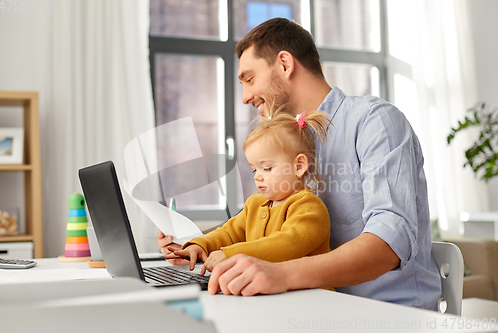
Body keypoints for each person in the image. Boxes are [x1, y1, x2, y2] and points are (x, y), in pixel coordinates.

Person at [158, 18, 441, 310]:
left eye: (249, 79)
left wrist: (280, 274)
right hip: (313, 308)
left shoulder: (374, 121)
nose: (244, 98)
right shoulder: (286, 143)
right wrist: (197, 246)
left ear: (284, 64)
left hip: (387, 315)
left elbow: (389, 245)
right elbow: (250, 227)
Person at [165, 105, 333, 278]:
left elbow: (287, 244)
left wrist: (230, 254)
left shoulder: (309, 207)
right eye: (254, 170)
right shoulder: (254, 205)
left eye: (267, 168)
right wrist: (200, 246)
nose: (257, 177)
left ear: (299, 166)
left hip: (311, 297)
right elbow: (228, 233)